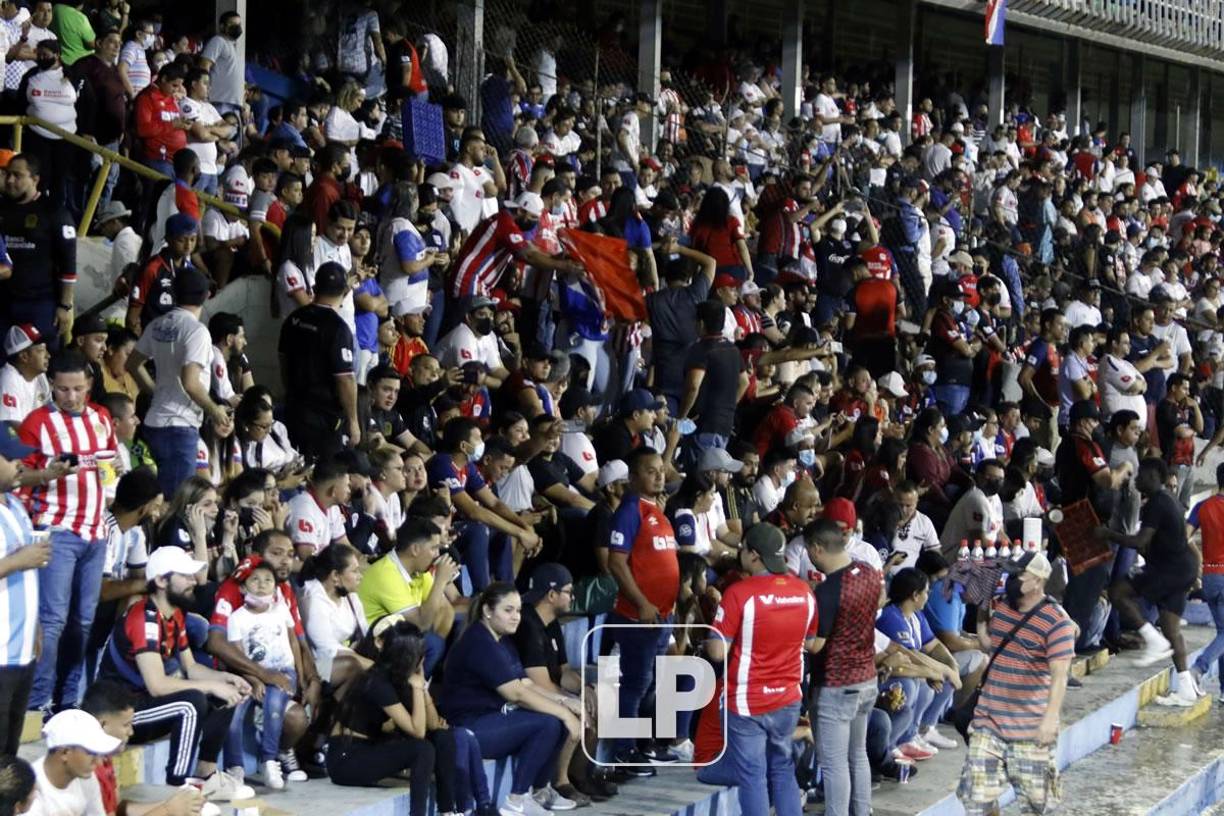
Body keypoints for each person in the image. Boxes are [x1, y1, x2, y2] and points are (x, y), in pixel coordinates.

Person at [99, 547, 251, 799]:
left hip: (146, 705)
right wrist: (210, 686)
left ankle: (206, 775)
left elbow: (191, 668)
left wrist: (225, 679)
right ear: (161, 581)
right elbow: (157, 685)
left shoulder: (174, 614)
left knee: (226, 694)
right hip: (122, 714)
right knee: (192, 703)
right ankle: (178, 789)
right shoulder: (144, 619)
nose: (194, 581)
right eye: (186, 576)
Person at [16, 350, 115, 715]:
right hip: (56, 530)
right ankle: (36, 700)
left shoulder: (103, 418)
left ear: (89, 385)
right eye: (62, 390)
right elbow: (13, 476)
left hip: (95, 531)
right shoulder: (36, 423)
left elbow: (108, 471)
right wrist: (47, 475)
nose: (70, 396)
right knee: (53, 620)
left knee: (84, 621)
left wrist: (116, 468)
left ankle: (67, 699)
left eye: (77, 389)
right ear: (51, 388)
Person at [703, 523, 819, 816]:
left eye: (743, 549)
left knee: (752, 775)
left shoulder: (739, 592)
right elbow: (811, 642)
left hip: (747, 700)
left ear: (754, 555)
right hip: (788, 697)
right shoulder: (805, 592)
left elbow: (717, 651)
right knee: (782, 769)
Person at [435, 582, 578, 816]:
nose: (516, 617)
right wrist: (563, 712)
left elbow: (526, 683)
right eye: (508, 610)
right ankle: (516, 800)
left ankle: (539, 791)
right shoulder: (479, 642)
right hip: (470, 728)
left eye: (519, 610)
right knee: (550, 722)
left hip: (494, 718)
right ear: (487, 611)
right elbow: (517, 694)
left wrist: (565, 703)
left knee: (557, 720)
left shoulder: (503, 639)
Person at [957, 551, 1074, 816]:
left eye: (1018, 575)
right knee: (976, 800)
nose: (1010, 579)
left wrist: (1051, 718)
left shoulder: (1057, 622)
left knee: (1036, 806)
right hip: (989, 721)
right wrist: (982, 606)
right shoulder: (1003, 608)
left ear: (1037, 581)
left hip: (1029, 730)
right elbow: (989, 643)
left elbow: (1060, 675)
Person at [127, 268, 233, 499]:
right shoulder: (197, 331)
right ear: (206, 296)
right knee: (176, 502)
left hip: (154, 421)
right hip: (180, 427)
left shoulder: (158, 324)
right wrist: (215, 410)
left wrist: (156, 392)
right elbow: (191, 382)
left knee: (157, 497)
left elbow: (133, 364)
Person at [1102, 457, 1201, 702]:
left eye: (1141, 475)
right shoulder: (1168, 500)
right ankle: (1187, 687)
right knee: (1172, 629)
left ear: (1155, 476)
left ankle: (1152, 639)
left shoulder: (1158, 502)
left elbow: (1139, 542)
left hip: (1170, 570)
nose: (1136, 479)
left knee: (1117, 592)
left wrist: (1107, 534)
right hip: (1182, 569)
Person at [607, 447, 680, 768]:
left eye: (661, 469)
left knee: (651, 681)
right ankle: (624, 750)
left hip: (663, 614)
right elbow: (616, 562)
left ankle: (643, 743)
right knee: (635, 681)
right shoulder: (630, 510)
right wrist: (642, 603)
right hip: (638, 616)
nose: (659, 475)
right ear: (633, 477)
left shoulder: (657, 510)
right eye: (650, 471)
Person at [804, 518, 882, 816]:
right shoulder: (869, 573)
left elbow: (817, 645)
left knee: (835, 763)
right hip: (867, 679)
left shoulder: (827, 591)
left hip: (837, 685)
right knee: (857, 755)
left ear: (817, 548)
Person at [223, 562, 306, 789]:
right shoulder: (237, 618)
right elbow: (239, 655)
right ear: (243, 588)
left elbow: (293, 642)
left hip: (283, 672)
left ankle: (269, 760)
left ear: (275, 587)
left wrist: (299, 674)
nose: (261, 585)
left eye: (268, 580)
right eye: (255, 580)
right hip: (251, 674)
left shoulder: (281, 610)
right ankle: (235, 766)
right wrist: (255, 680)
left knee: (274, 703)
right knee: (234, 709)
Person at [0, 426, 49, 754]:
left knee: (9, 753)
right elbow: (20, 562)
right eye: (11, 459)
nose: (21, 464)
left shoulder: (14, 505)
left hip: (21, 650)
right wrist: (18, 561)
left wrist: (36, 627)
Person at [278, 262, 359, 459]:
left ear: (314, 287)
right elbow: (345, 379)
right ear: (345, 291)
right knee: (325, 475)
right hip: (323, 418)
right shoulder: (338, 328)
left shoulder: (294, 319)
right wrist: (353, 421)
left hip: (294, 408)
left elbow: (283, 360)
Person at [26, 709, 119, 816]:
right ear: (65, 753)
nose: (98, 762)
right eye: (91, 753)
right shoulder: (31, 788)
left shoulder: (87, 777)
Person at [0, 325, 50, 424]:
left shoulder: (39, 375)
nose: (48, 355)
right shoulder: (8, 380)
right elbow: (11, 427)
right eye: (41, 351)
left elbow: (49, 412)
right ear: (24, 357)